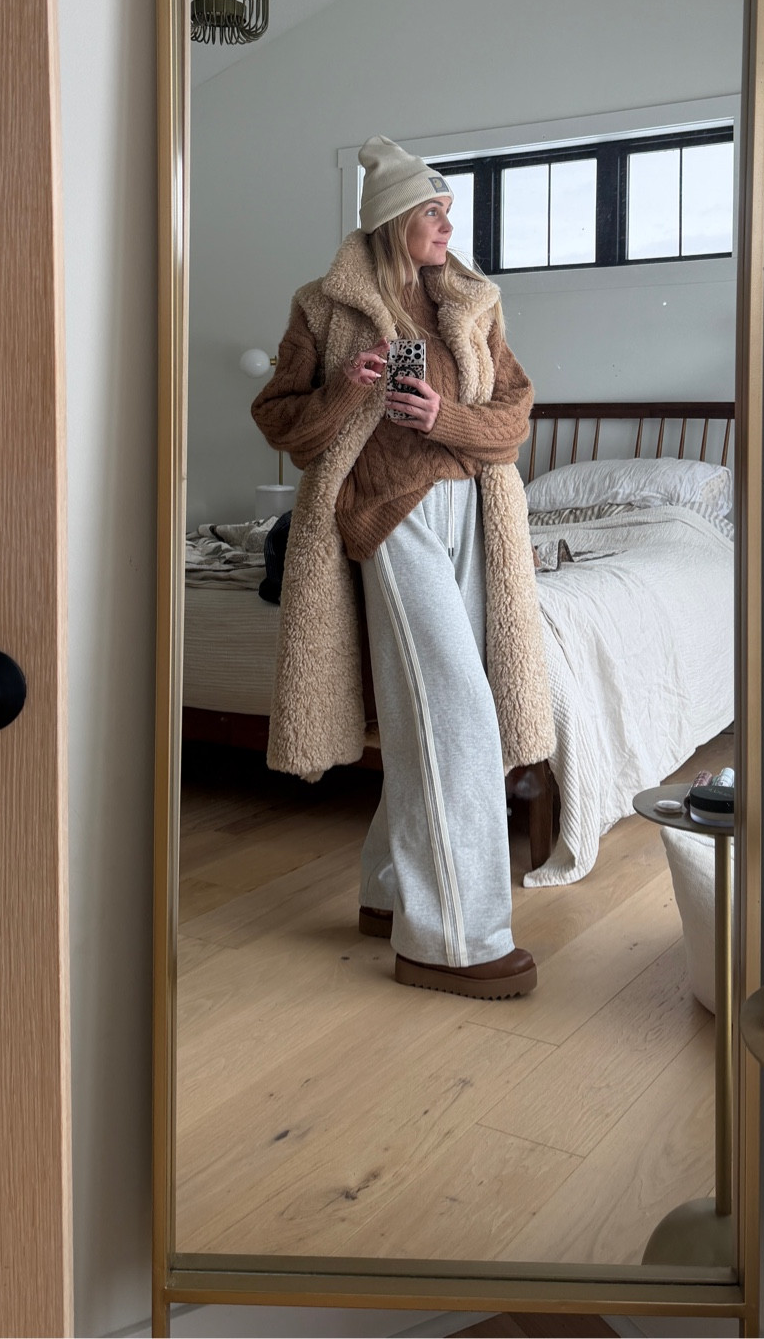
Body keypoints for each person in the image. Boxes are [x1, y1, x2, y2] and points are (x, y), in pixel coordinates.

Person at [251, 136, 554, 999]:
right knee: (453, 710)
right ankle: (453, 939)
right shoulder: (324, 306)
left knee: (441, 705)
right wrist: (351, 386)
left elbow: (515, 411)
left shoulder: (474, 301)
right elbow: (279, 419)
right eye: (433, 210)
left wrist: (444, 416)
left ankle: (390, 893)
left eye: (448, 210)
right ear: (392, 219)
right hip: (389, 515)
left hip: (477, 511)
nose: (448, 224)